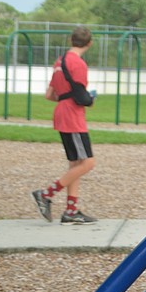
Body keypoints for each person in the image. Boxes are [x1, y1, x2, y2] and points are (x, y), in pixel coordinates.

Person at [31, 26, 98, 225]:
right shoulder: (78, 64)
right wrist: (88, 99)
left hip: (61, 111)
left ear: (71, 41)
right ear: (89, 43)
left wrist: (67, 97)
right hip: (73, 115)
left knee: (75, 164)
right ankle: (46, 194)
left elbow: (50, 95)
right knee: (88, 162)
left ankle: (71, 211)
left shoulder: (59, 62)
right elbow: (81, 95)